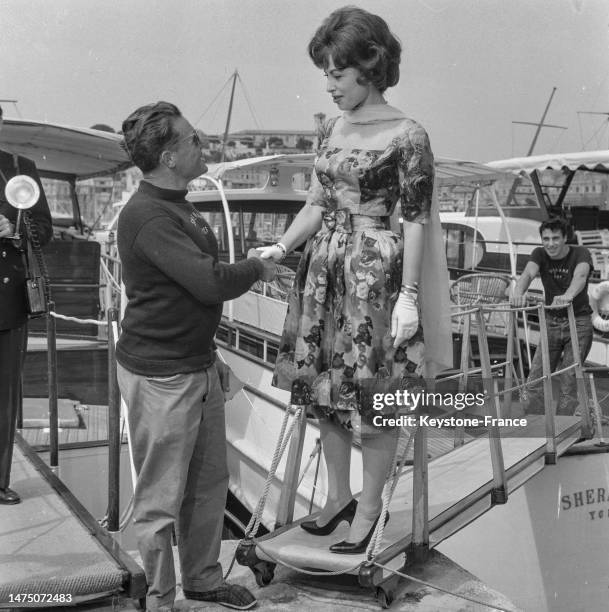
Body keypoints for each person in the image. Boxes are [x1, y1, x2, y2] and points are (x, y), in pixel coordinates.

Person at [259, 6, 451, 554]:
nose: (328, 85)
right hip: (323, 269)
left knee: (372, 395)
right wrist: (281, 245)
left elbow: (414, 217)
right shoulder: (331, 127)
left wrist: (410, 296)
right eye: (325, 73)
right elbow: (317, 202)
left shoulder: (409, 134)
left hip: (373, 271)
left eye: (337, 73)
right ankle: (338, 498)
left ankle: (369, 510)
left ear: (370, 65)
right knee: (324, 391)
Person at [117, 101, 275, 611]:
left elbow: (191, 286)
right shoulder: (148, 215)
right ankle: (161, 600)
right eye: (192, 139)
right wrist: (256, 266)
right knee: (161, 500)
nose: (201, 142)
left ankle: (203, 580)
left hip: (196, 366)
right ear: (167, 156)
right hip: (162, 376)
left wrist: (211, 358)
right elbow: (209, 282)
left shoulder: (178, 205)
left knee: (209, 483)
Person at [0, 104, 53, 505]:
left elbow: (44, 231)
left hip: (6, 302)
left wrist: (14, 228)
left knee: (3, 395)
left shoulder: (19, 167)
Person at [510, 217, 593, 415]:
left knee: (569, 382)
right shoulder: (539, 254)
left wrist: (568, 296)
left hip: (578, 322)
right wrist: (518, 293)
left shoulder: (581, 253)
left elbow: (580, 276)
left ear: (565, 238)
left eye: (555, 238)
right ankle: (535, 425)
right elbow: (528, 274)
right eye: (546, 238)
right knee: (536, 379)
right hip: (551, 322)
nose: (550, 243)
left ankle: (565, 429)